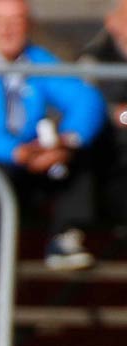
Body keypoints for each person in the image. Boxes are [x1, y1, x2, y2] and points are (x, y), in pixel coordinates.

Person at [0, 0, 107, 311]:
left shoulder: (36, 61)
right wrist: (15, 151)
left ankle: (67, 237)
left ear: (29, 26)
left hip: (28, 167)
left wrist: (65, 142)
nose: (7, 29)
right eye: (0, 20)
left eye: (16, 20)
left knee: (82, 151)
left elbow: (86, 100)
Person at [78, 0, 127, 228]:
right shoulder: (93, 59)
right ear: (112, 22)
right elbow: (82, 107)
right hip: (108, 149)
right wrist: (115, 114)